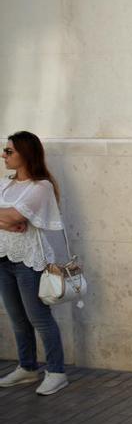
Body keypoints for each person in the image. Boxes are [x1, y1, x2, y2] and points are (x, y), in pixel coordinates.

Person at [0, 131, 69, 396]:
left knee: (39, 318)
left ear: (25, 154)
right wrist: (7, 221)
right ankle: (27, 368)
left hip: (29, 260)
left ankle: (56, 372)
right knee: (18, 319)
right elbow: (12, 219)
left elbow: (18, 215)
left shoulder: (41, 186)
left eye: (9, 151)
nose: (4, 155)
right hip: (4, 257)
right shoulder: (5, 184)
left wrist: (13, 218)